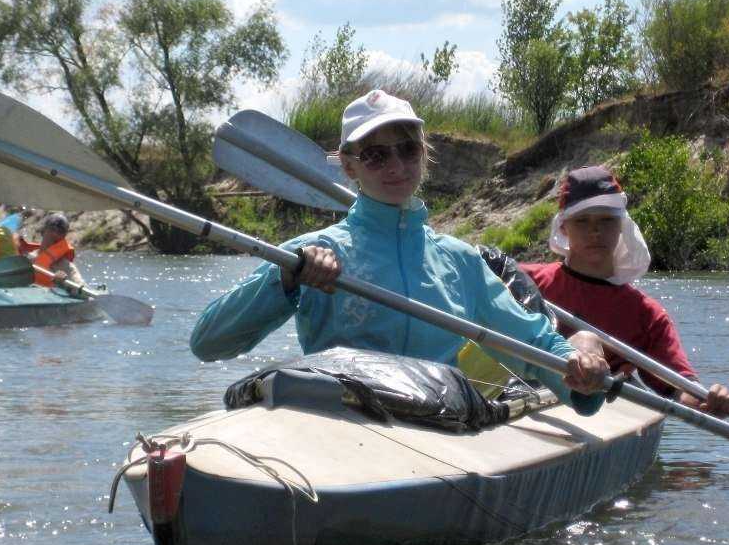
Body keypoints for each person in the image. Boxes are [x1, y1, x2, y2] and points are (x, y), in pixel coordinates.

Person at [190, 89, 611, 415]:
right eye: (375, 154)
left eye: (407, 149)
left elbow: (529, 340)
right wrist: (283, 280)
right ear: (349, 167)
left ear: (423, 154)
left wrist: (577, 372)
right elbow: (207, 342)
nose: (396, 166)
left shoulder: (459, 260)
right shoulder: (311, 252)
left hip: (438, 421)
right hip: (342, 422)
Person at [520, 165, 729, 416]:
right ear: (564, 227)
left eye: (606, 220)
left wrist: (710, 401)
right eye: (582, 221)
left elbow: (678, 390)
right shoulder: (523, 280)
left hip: (594, 407)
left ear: (621, 224)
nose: (595, 231)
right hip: (518, 391)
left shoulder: (647, 315)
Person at [30, 213, 85, 290]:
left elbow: (83, 292)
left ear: (64, 237)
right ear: (42, 232)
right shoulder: (27, 259)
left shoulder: (67, 267)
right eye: (52, 229)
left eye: (60, 232)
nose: (55, 234)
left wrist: (62, 285)